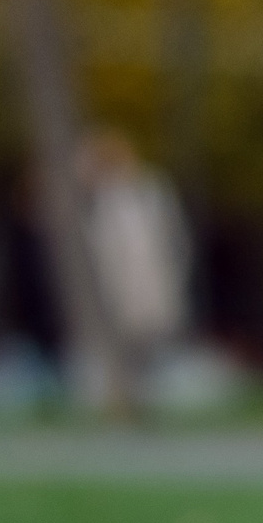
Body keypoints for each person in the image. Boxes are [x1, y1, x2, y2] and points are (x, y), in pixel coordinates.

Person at [81, 131, 191, 367]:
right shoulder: (98, 197)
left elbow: (173, 238)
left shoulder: (151, 189)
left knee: (155, 344)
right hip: (120, 289)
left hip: (152, 283)